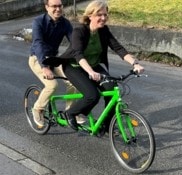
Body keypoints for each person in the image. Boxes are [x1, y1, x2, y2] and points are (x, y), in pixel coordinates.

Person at [59, 0, 144, 131]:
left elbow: (118, 48)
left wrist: (135, 63)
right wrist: (90, 72)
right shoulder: (79, 31)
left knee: (112, 90)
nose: (103, 18)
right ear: (90, 16)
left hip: (93, 66)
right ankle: (70, 113)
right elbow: (78, 54)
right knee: (92, 95)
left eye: (105, 15)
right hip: (74, 67)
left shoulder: (103, 31)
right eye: (99, 15)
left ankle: (106, 124)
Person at [29, 0, 84, 128]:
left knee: (73, 80)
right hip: (37, 58)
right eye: (54, 6)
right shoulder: (38, 22)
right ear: (47, 7)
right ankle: (37, 109)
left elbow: (74, 43)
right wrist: (45, 67)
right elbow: (38, 44)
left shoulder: (65, 23)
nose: (57, 9)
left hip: (54, 58)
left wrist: (83, 59)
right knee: (52, 85)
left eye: (60, 6)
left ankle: (71, 111)